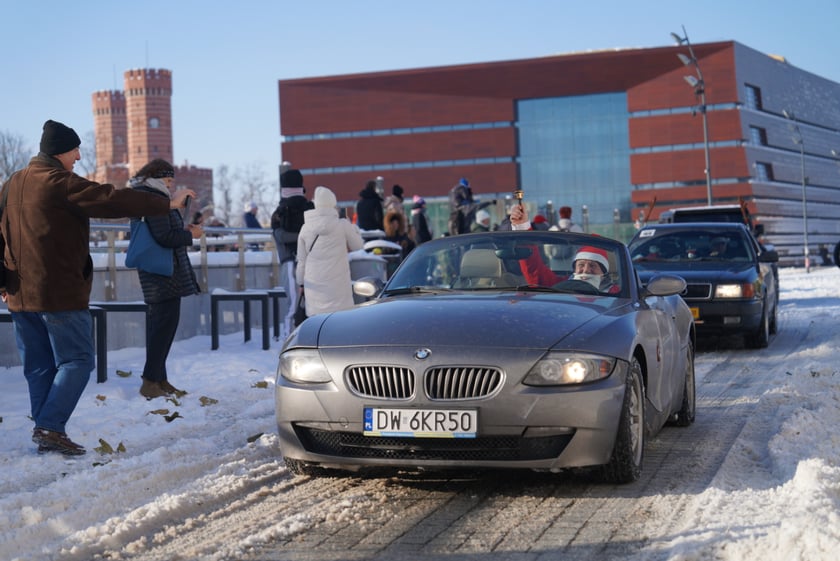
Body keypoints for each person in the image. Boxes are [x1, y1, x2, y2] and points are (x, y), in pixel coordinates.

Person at [0, 120, 193, 455]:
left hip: (18, 294)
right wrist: (167, 204)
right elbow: (111, 200)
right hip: (57, 291)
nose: (78, 156)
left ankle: (48, 429)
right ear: (60, 150)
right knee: (77, 361)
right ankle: (49, 426)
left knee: (39, 366)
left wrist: (2, 281)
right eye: (75, 149)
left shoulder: (12, 183)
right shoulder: (58, 182)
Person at [128, 159, 203, 399]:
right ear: (158, 179)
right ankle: (151, 382)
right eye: (169, 181)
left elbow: (164, 232)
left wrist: (184, 230)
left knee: (161, 327)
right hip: (162, 274)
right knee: (162, 327)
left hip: (161, 273)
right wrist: (190, 235)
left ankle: (158, 379)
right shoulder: (154, 200)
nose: (171, 186)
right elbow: (165, 237)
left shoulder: (153, 199)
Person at [510, 204, 619, 293]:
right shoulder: (559, 285)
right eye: (581, 265)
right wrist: (522, 226)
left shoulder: (617, 294)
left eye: (593, 265)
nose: (585, 270)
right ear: (574, 269)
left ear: (604, 272)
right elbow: (534, 270)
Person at [296, 186, 365, 317]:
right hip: (339, 292)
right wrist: (353, 228)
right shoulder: (342, 225)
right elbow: (358, 246)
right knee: (340, 327)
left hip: (314, 291)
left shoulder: (305, 228)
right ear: (332, 204)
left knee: (318, 329)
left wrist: (301, 283)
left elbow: (301, 261)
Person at [270, 168, 314, 338]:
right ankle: (300, 339)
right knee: (308, 303)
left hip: (290, 260)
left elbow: (279, 236)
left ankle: (290, 340)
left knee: (293, 304)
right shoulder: (309, 209)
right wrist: (304, 236)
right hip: (309, 259)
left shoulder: (280, 212)